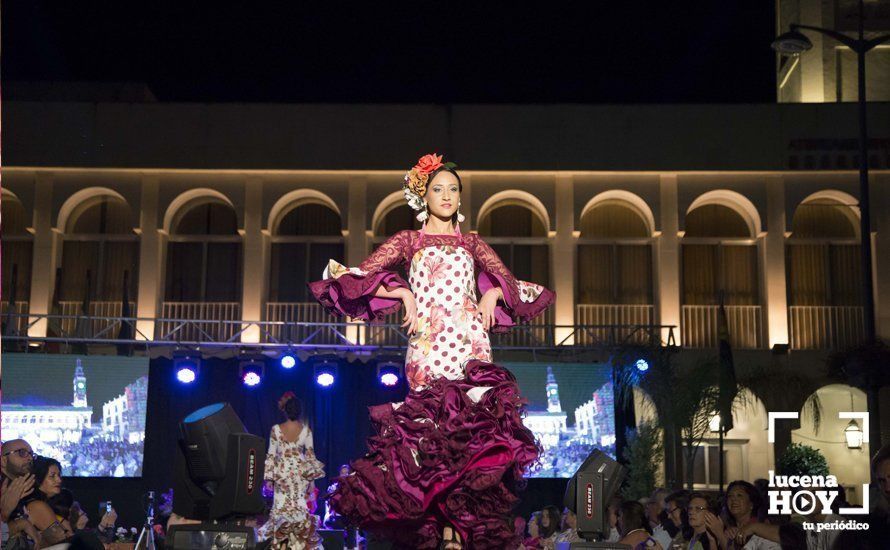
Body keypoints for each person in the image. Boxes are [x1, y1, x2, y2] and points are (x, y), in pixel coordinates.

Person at [308, 153, 553, 549]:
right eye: (438, 189)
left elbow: (510, 282)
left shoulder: (472, 242)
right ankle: (437, 534)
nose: (447, 195)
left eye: (453, 189)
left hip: (470, 341)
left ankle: (458, 535)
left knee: (472, 436)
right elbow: (358, 276)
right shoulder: (409, 240)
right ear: (423, 195)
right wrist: (403, 290)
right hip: (428, 344)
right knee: (429, 439)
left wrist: (490, 293)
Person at [258, 392, 326, 550]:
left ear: (285, 411)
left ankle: (283, 546)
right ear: (300, 412)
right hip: (299, 474)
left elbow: (271, 455)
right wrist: (312, 482)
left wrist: (269, 478)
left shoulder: (276, 429)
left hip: (282, 473)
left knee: (282, 508)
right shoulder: (306, 430)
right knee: (299, 507)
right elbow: (310, 457)